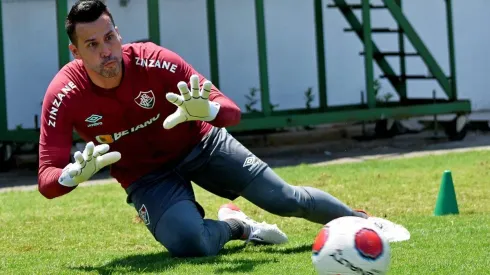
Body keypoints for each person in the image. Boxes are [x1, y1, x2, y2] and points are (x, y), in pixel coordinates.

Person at [38, 0, 410, 258]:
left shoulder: (156, 61)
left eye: (110, 38)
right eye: (92, 44)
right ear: (75, 52)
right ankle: (237, 227)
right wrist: (70, 177)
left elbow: (231, 112)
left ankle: (363, 222)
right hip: (145, 176)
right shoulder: (63, 94)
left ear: (118, 33)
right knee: (191, 244)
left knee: (285, 199)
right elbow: (46, 178)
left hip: (201, 144)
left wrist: (209, 109)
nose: (107, 51)